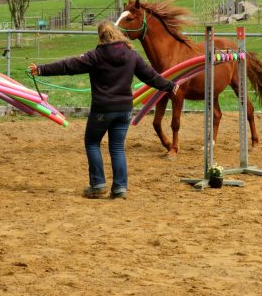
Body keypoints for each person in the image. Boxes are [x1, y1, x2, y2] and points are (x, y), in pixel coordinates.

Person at [29, 20, 179, 200]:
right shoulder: (132, 55)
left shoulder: (95, 56)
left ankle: (98, 185)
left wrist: (41, 69)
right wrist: (170, 86)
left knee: (92, 143)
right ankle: (120, 188)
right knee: (117, 148)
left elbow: (68, 66)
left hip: (102, 109)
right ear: (118, 34)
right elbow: (151, 76)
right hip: (124, 109)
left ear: (101, 37)